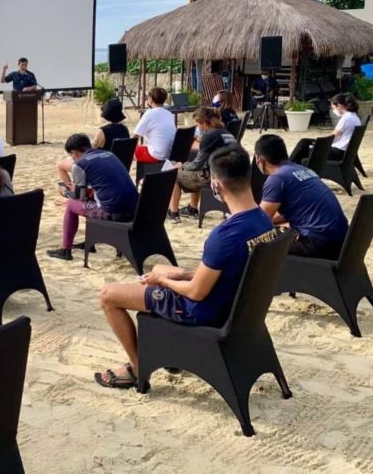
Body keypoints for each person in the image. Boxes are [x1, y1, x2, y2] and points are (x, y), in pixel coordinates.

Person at [96, 144, 276, 388]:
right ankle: (167, 352)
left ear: (216, 185)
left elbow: (195, 293)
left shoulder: (224, 235)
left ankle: (138, 368)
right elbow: (235, 268)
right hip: (236, 306)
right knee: (163, 268)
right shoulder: (264, 221)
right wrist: (182, 274)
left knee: (109, 295)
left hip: (202, 311)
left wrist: (163, 281)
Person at [47, 134, 138, 261]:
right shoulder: (109, 155)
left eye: (71, 155)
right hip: (135, 209)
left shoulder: (80, 164)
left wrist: (65, 193)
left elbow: (79, 197)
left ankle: (65, 250)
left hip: (113, 212)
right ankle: (90, 243)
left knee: (71, 205)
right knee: (89, 200)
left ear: (74, 152)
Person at [256, 134, 348, 259]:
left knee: (255, 244)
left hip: (317, 243)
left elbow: (259, 221)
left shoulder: (277, 178)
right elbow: (290, 212)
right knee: (280, 229)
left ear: (260, 159)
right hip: (341, 239)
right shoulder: (303, 170)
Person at [167, 107, 236, 223]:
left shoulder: (208, 137)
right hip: (231, 174)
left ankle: (173, 213)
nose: (197, 128)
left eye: (198, 125)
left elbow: (196, 165)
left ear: (204, 123)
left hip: (215, 177)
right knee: (195, 173)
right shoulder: (226, 133)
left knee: (174, 174)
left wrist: (181, 166)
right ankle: (192, 209)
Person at [56, 99, 130, 189]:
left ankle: (72, 190)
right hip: (122, 166)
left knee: (61, 164)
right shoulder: (125, 129)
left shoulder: (103, 131)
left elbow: (90, 150)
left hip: (100, 167)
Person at [290, 92, 361, 163]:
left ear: (339, 106)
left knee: (304, 145)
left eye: (333, 108)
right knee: (305, 142)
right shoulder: (354, 116)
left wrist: (319, 144)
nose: (333, 111)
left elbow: (333, 137)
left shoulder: (346, 118)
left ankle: (287, 165)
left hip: (337, 152)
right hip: (344, 151)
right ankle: (291, 165)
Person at [133, 87, 175, 163]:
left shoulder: (149, 113)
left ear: (151, 99)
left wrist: (131, 150)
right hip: (169, 154)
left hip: (155, 155)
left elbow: (136, 136)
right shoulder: (169, 114)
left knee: (126, 149)